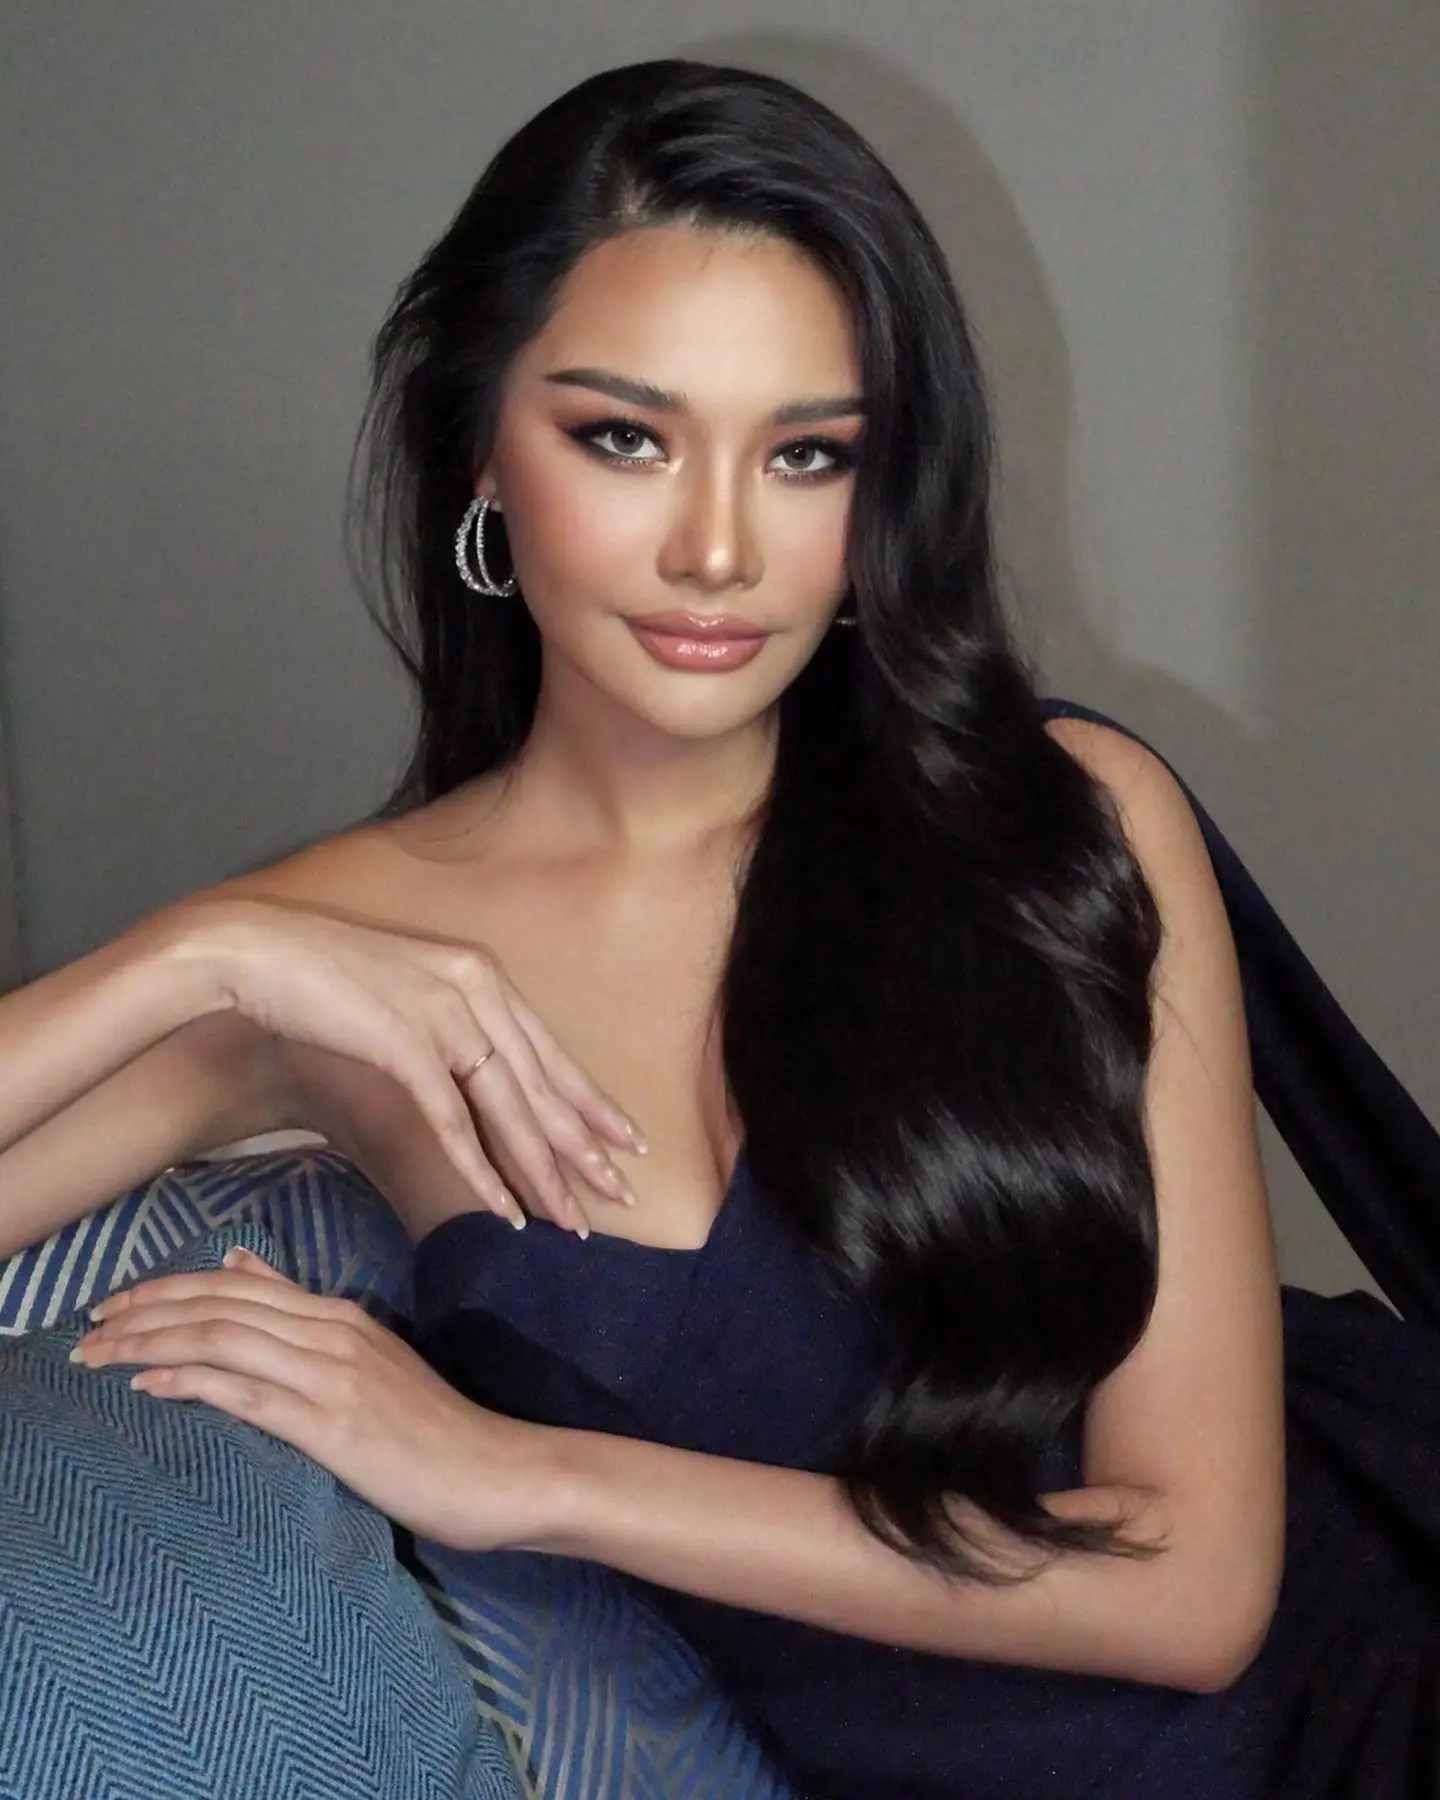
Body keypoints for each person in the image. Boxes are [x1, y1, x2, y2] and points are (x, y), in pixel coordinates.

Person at [1, 58, 1435, 1800]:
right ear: (481, 442)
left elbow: (1194, 1591)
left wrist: (520, 1476)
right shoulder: (323, 976)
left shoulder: (1064, 823)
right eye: (625, 436)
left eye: (807, 455)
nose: (718, 550)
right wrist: (192, 955)